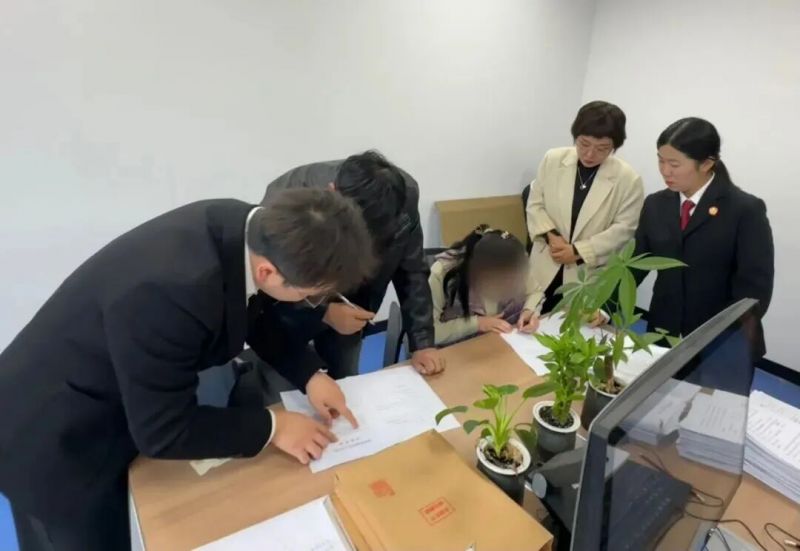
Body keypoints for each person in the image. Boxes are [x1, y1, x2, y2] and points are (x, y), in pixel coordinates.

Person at [0, 189, 375, 550]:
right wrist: (274, 426)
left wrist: (310, 375)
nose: (312, 302)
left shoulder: (248, 230)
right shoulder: (173, 291)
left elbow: (251, 312)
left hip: (116, 393)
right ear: (267, 272)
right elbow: (163, 430)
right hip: (53, 433)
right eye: (310, 295)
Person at [261, 150, 445, 377]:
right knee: (285, 376)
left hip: (354, 304)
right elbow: (268, 290)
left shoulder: (402, 196)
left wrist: (422, 342)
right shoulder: (285, 206)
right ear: (333, 193)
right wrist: (324, 313)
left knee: (345, 378)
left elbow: (412, 271)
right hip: (291, 309)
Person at [635, 117, 774, 357]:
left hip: (721, 342)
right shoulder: (656, 204)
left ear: (707, 163)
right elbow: (635, 263)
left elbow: (754, 290)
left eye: (674, 164)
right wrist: (605, 307)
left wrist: (718, 338)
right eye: (660, 160)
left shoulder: (744, 210)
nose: (665, 171)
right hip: (662, 332)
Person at [526, 101, 645, 314]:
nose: (590, 154)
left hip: (586, 272)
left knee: (573, 324)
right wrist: (551, 236)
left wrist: (578, 251)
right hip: (545, 261)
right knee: (530, 318)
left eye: (602, 149)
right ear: (575, 136)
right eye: (584, 144)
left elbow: (624, 229)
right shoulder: (553, 159)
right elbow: (535, 203)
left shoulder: (628, 179)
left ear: (615, 146)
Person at [429, 225, 539, 346]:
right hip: (458, 348)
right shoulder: (442, 272)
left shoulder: (513, 260)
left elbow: (535, 292)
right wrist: (477, 324)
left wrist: (529, 311)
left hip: (502, 343)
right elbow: (429, 332)